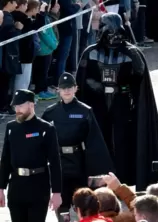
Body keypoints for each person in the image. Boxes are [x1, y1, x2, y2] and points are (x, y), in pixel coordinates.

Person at [76, 13, 158, 189]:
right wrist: (96, 86)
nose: (113, 37)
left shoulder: (131, 52)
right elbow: (82, 80)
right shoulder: (91, 52)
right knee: (98, 140)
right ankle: (100, 178)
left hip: (122, 102)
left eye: (116, 33)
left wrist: (128, 77)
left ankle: (123, 177)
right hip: (98, 103)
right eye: (109, 33)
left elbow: (140, 80)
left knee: (123, 140)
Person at [41, 73, 113, 215]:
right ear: (58, 90)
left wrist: (97, 169)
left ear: (76, 88)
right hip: (58, 162)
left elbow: (95, 140)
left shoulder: (85, 111)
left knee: (83, 200)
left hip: (78, 161)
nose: (66, 91)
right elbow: (42, 141)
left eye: (70, 87)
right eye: (63, 88)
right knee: (61, 201)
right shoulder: (50, 113)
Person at [0, 89, 63, 221]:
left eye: (20, 106)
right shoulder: (11, 127)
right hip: (16, 187)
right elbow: (5, 160)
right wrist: (1, 187)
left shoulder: (46, 129)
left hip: (38, 188)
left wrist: (57, 192)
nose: (17, 109)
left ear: (31, 104)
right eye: (15, 106)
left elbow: (55, 161)